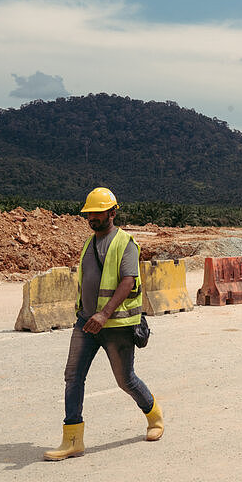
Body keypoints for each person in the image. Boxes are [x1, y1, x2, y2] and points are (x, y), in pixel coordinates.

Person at [44, 187, 164, 461]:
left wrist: (104, 314)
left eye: (98, 213)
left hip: (116, 326)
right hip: (86, 323)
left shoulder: (126, 243)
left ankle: (155, 416)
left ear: (112, 212)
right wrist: (89, 314)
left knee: (126, 380)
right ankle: (72, 440)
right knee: (73, 377)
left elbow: (128, 281)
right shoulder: (88, 243)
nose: (93, 218)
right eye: (89, 213)